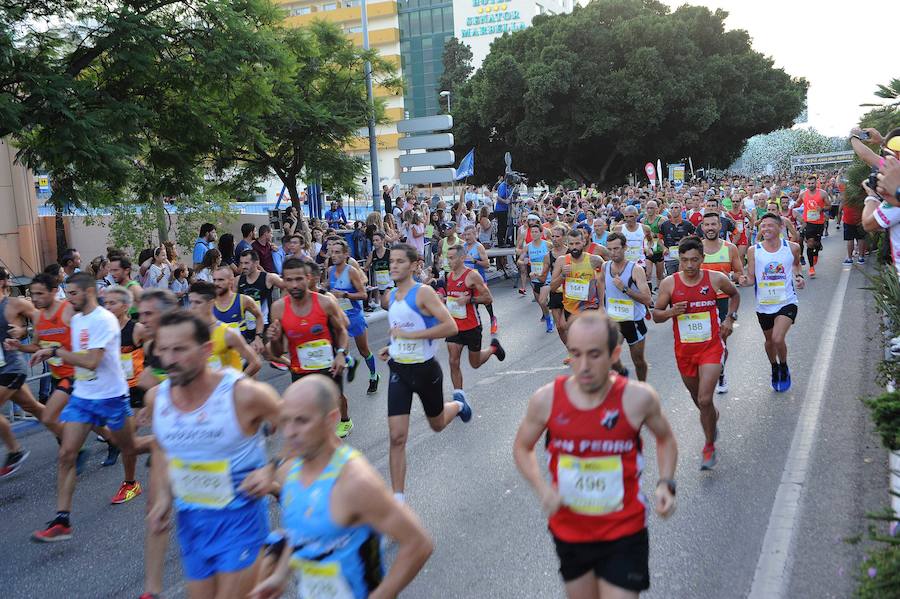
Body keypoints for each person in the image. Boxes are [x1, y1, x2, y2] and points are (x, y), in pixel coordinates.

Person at [513, 312, 677, 599]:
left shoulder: (638, 398)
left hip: (625, 529)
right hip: (570, 530)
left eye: (594, 355)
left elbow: (665, 439)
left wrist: (665, 483)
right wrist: (542, 489)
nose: (584, 366)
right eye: (575, 354)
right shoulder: (546, 399)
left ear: (614, 353)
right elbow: (521, 447)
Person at [250, 375, 434, 599]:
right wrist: (280, 575)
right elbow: (301, 532)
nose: (290, 432)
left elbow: (418, 544)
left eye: (302, 421)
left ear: (331, 419)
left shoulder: (355, 481)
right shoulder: (290, 472)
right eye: (286, 420)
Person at [145, 311, 280, 599]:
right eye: (164, 349)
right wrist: (164, 498)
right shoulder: (157, 399)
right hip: (191, 523)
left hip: (240, 520)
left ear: (206, 350)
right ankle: (271, 558)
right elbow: (166, 453)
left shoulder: (243, 394)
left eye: (179, 349)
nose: (169, 359)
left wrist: (272, 469)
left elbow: (304, 431)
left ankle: (270, 557)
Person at [30, 273, 138, 540]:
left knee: (129, 447)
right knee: (67, 453)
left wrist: (55, 352)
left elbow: (91, 362)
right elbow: (79, 356)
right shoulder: (77, 320)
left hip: (112, 396)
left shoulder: (104, 319)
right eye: (67, 293)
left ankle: (131, 482)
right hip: (84, 396)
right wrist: (45, 347)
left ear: (89, 292)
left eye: (73, 294)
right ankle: (62, 520)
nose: (69, 298)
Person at [378, 243, 471, 502]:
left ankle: (457, 406)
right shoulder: (391, 298)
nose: (394, 265)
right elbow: (402, 330)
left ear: (413, 265)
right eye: (391, 261)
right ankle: (398, 501)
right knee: (397, 437)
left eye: (399, 261)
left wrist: (410, 336)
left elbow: (450, 326)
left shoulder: (423, 293)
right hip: (399, 370)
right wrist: (393, 346)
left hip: (426, 369)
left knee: (438, 424)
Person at [653, 237, 739, 470]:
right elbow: (656, 315)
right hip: (684, 352)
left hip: (711, 347)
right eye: (684, 260)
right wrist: (671, 311)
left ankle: (709, 445)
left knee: (704, 398)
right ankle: (710, 418)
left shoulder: (715, 278)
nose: (689, 265)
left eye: (694, 260)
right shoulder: (669, 284)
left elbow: (734, 295)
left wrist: (730, 318)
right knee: (700, 403)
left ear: (702, 258)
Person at [267, 257, 354, 438]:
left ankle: (344, 423)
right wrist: (274, 340)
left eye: (299, 279)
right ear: (283, 281)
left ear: (308, 278)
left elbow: (342, 331)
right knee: (308, 425)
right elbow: (276, 352)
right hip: (301, 372)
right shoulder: (278, 308)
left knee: (327, 421)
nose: (294, 285)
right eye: (289, 280)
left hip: (328, 368)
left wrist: (340, 354)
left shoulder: (325, 302)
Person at [0, 269, 64, 478]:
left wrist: (24, 332)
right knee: (33, 407)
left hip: (12, 367)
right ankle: (64, 434)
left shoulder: (15, 304)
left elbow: (42, 320)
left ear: (2, 283)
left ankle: (15, 451)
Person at [740, 213, 804, 392]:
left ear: (780, 228)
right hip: (764, 304)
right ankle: (774, 367)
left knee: (777, 338)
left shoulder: (792, 248)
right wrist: (745, 281)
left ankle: (783, 365)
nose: (765, 229)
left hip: (787, 301)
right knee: (769, 341)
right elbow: (752, 278)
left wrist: (798, 277)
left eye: (770, 225)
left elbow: (796, 265)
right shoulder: (754, 250)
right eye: (763, 226)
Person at [438, 244, 506, 406]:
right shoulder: (449, 276)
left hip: (472, 326)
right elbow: (451, 297)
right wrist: (444, 299)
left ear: (462, 258)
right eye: (448, 257)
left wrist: (469, 300)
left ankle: (493, 349)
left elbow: (488, 299)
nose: (449, 260)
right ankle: (459, 398)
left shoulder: (472, 276)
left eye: (452, 258)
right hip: (455, 326)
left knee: (474, 363)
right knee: (453, 361)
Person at [699, 212, 744, 394]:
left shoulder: (730, 248)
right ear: (702, 227)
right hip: (701, 302)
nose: (710, 228)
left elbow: (739, 274)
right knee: (703, 342)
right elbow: (683, 275)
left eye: (713, 224)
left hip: (723, 301)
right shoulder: (696, 248)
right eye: (707, 225)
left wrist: (730, 277)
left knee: (720, 342)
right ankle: (709, 372)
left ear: (720, 226)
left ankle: (721, 373)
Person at [328, 239, 380, 395]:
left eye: (337, 252)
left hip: (354, 316)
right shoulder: (330, 270)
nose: (334, 255)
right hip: (338, 317)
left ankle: (373, 376)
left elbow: (364, 294)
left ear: (346, 254)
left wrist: (345, 294)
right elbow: (328, 288)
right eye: (332, 252)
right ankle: (350, 363)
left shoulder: (351, 271)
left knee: (364, 351)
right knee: (342, 350)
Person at [601, 233, 652, 382]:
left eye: (616, 248)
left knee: (638, 360)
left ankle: (642, 386)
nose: (613, 252)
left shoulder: (635, 269)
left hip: (633, 321)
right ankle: (622, 373)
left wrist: (625, 289)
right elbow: (602, 287)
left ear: (625, 248)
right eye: (609, 249)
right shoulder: (606, 266)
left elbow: (647, 299)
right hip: (614, 320)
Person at [189, 281, 262, 376]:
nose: (192, 307)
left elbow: (255, 363)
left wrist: (236, 384)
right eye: (191, 302)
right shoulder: (190, 333)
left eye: (198, 302)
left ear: (211, 303)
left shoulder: (227, 333)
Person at [550, 229, 605, 323]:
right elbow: (553, 288)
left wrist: (601, 306)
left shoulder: (595, 260)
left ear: (583, 242)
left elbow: (602, 283)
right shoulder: (562, 261)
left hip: (590, 306)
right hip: (571, 308)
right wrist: (562, 275)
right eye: (571, 244)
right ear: (567, 244)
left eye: (577, 243)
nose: (574, 247)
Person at [211, 265, 265, 353]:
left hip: (240, 356)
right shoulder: (209, 303)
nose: (216, 283)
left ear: (231, 281)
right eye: (214, 280)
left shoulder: (243, 300)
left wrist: (258, 338)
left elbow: (259, 316)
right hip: (219, 357)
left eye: (221, 280)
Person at [237, 249, 285, 347]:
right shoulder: (238, 280)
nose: (243, 266)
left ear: (256, 263)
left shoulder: (268, 278)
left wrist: (281, 304)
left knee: (270, 355)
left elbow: (287, 287)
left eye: (246, 263)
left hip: (266, 325)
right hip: (247, 326)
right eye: (241, 263)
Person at [461, 224, 498, 335]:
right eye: (465, 234)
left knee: (486, 302)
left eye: (469, 234)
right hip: (468, 282)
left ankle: (492, 318)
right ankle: (476, 328)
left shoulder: (479, 247)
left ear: (475, 235)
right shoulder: (462, 247)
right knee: (473, 305)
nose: (467, 237)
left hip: (479, 280)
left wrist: (475, 261)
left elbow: (487, 264)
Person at [798, 174, 831, 278]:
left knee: (816, 243)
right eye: (808, 183)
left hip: (819, 223)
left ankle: (816, 253)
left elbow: (829, 206)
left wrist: (821, 209)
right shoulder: (803, 194)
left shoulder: (822, 193)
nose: (810, 185)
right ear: (806, 184)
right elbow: (797, 204)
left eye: (812, 183)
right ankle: (811, 267)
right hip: (808, 222)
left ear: (816, 183)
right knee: (810, 243)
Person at [524, 222, 554, 333]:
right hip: (535, 278)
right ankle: (547, 314)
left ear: (541, 233)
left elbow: (555, 255)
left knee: (542, 301)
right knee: (541, 301)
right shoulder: (528, 247)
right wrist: (524, 261)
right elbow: (520, 259)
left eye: (536, 231)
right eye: (532, 232)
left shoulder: (547, 244)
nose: (534, 234)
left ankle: (549, 321)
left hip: (547, 277)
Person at [658, 201, 695, 276]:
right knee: (671, 278)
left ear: (681, 209)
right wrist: (664, 248)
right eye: (672, 208)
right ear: (669, 210)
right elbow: (659, 240)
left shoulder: (687, 224)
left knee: (683, 277)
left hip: (684, 256)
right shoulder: (664, 225)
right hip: (669, 257)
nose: (674, 209)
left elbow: (696, 238)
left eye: (676, 207)